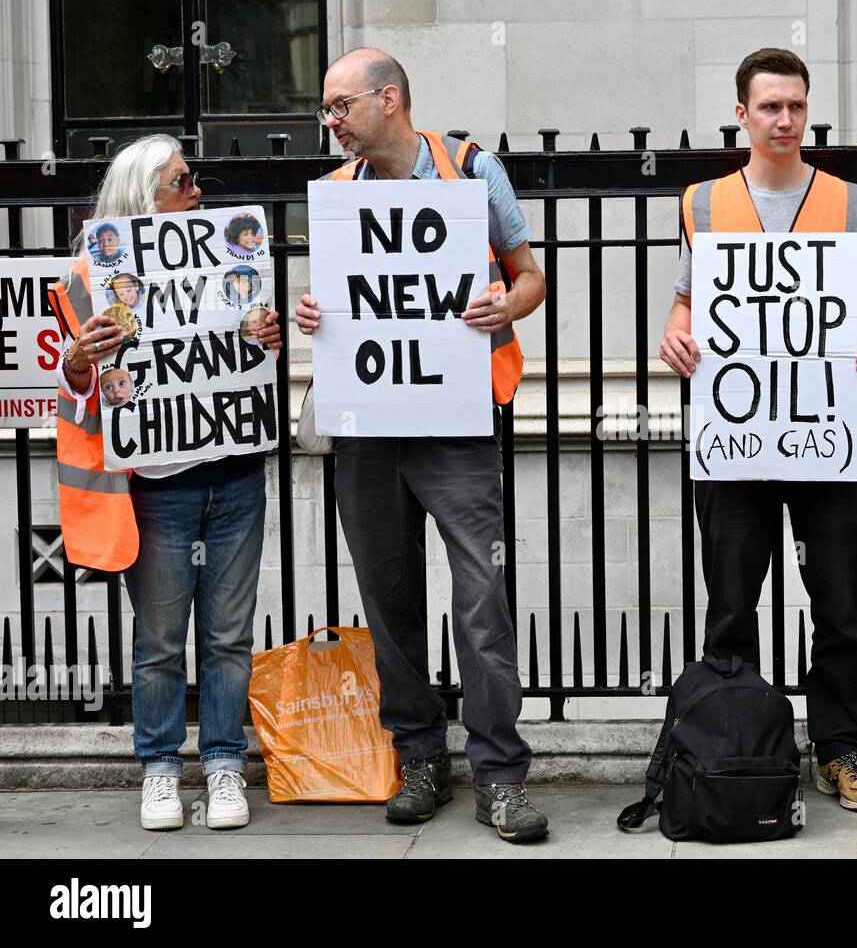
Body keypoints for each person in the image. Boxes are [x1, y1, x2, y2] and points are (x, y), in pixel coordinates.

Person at [294, 48, 549, 843]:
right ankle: (420, 760)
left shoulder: (472, 170)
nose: (330, 122)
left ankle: (500, 775)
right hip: (370, 427)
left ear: (389, 99)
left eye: (340, 106)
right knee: (389, 598)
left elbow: (530, 277)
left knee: (480, 604)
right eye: (327, 110)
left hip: (459, 425)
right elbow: (340, 303)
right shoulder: (338, 195)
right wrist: (312, 316)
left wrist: (504, 308)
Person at [659, 48, 857, 812]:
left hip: (828, 430)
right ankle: (738, 743)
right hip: (735, 436)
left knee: (841, 597)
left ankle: (839, 750)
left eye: (796, 106)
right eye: (770, 107)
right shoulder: (701, 204)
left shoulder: (854, 202)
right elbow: (685, 307)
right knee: (730, 602)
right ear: (742, 114)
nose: (785, 120)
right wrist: (674, 338)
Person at [49, 134, 283, 832]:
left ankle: (221, 765)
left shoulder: (230, 260)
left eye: (194, 180)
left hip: (236, 475)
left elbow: (247, 360)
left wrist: (265, 336)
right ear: (142, 195)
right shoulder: (82, 281)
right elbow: (74, 400)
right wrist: (82, 363)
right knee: (157, 641)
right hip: (155, 490)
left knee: (228, 636)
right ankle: (158, 768)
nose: (197, 192)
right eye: (182, 183)